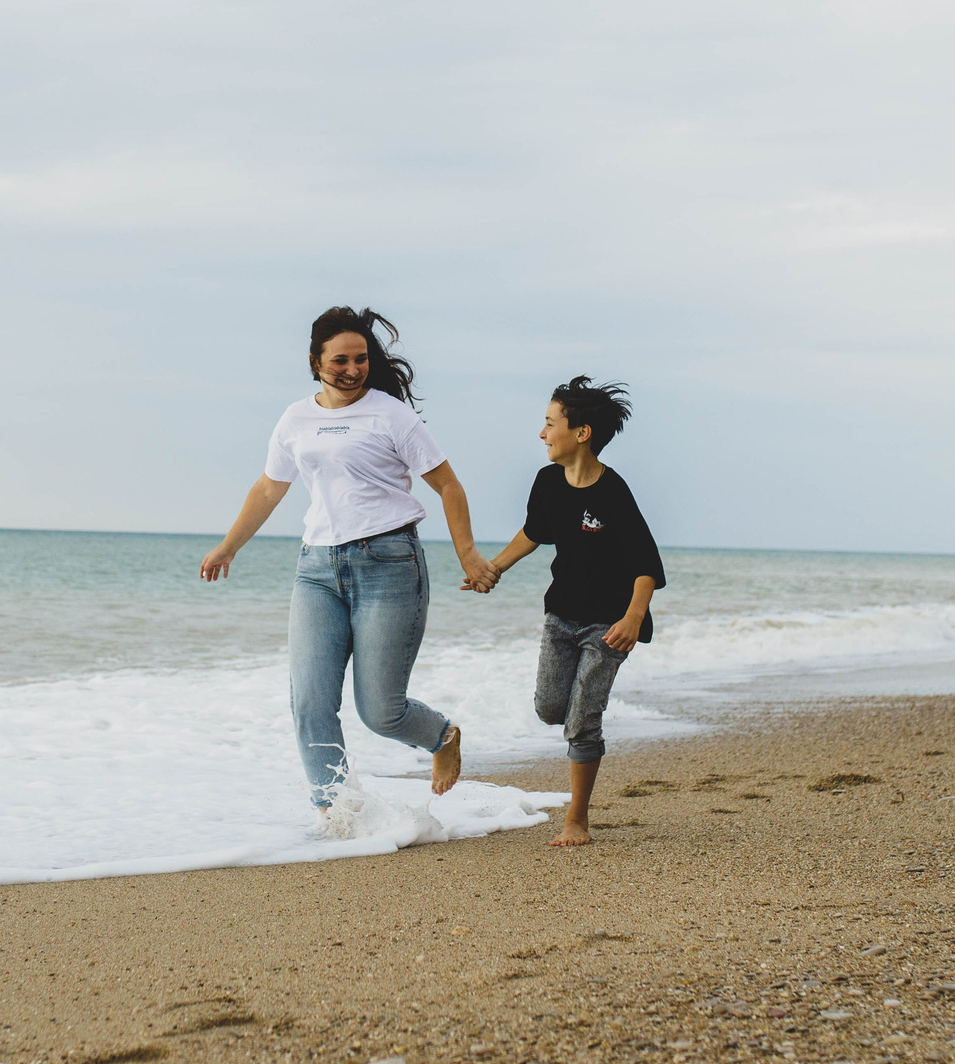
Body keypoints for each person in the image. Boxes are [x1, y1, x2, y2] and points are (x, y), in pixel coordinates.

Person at [199, 308, 497, 811]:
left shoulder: (390, 414)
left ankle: (442, 737)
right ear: (316, 361)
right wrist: (229, 545)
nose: (353, 369)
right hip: (316, 569)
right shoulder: (296, 418)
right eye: (341, 360)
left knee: (381, 712)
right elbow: (270, 487)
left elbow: (447, 484)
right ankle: (335, 812)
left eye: (361, 359)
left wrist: (467, 554)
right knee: (310, 703)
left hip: (389, 563)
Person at [470, 377, 665, 848]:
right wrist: (493, 567)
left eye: (550, 423)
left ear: (582, 433)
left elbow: (646, 565)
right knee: (549, 709)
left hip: (610, 624)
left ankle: (577, 821)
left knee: (581, 722)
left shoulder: (614, 492)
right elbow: (534, 531)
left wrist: (634, 619)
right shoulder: (547, 482)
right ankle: (582, 715)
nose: (542, 433)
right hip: (560, 616)